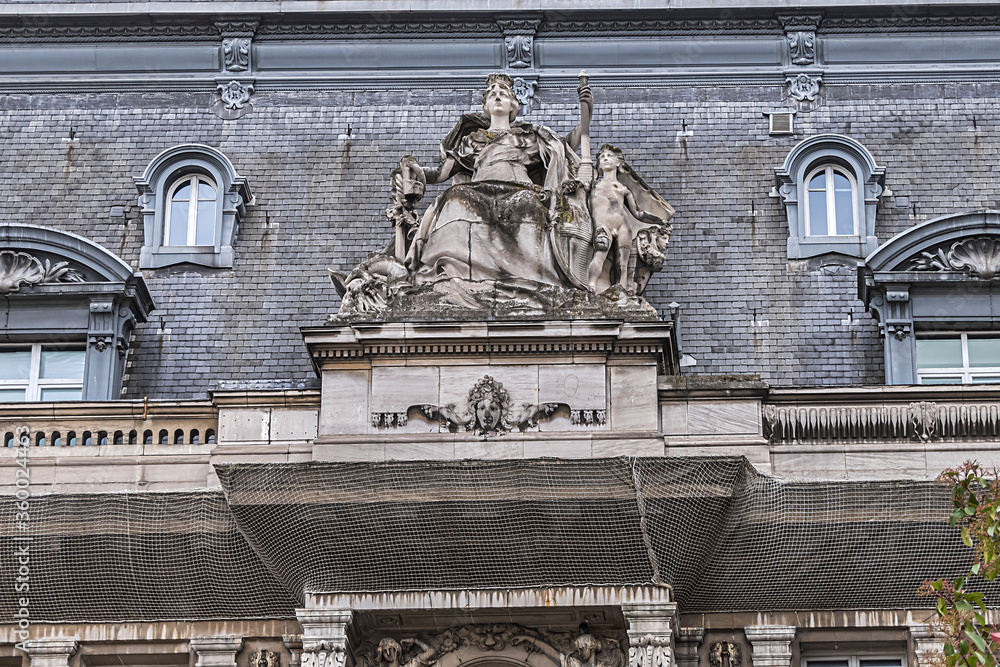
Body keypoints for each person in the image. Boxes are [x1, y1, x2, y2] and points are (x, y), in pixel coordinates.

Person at [400, 73, 592, 288]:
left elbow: (565, 147)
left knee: (527, 203)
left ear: (513, 106)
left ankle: (530, 276)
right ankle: (453, 270)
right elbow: (439, 174)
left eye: (503, 94)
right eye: (492, 94)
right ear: (486, 106)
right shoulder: (472, 140)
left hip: (518, 188)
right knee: (455, 197)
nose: (498, 97)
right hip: (478, 190)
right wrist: (413, 169)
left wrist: (586, 113)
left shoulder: (526, 137)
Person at [586, 144, 674, 293]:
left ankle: (622, 290)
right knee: (600, 251)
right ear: (599, 164)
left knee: (622, 262)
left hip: (623, 225)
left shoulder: (623, 189)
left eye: (610, 156)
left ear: (618, 163)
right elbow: (580, 194)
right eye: (602, 157)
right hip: (603, 225)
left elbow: (638, 213)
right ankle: (591, 285)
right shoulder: (593, 185)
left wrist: (658, 221)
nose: (605, 158)